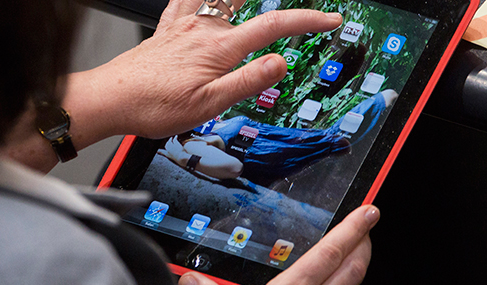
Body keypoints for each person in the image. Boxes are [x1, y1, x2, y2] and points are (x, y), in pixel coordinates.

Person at [0, 0, 379, 285]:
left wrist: (110, 92)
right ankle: (337, 135)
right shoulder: (48, 273)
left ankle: (336, 134)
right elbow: (223, 163)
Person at [159, 90, 397, 186]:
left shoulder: (204, 128)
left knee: (389, 97)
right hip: (315, 147)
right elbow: (234, 167)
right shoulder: (191, 142)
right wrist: (182, 158)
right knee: (387, 96)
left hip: (316, 142)